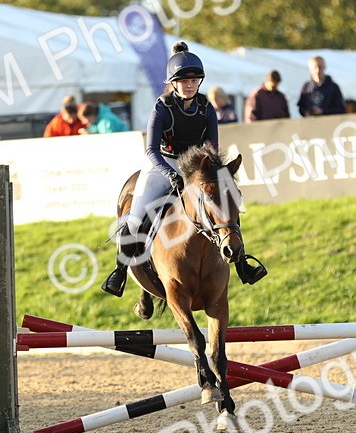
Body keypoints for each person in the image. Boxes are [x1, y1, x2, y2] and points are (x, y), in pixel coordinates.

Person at [101, 41, 267, 296]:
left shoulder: (206, 107)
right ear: (173, 83)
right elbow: (151, 150)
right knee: (134, 219)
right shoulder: (162, 107)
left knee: (226, 207)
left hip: (196, 167)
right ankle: (120, 271)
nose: (190, 84)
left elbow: (212, 148)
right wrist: (170, 174)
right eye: (184, 80)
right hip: (163, 163)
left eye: (194, 80)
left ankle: (242, 264)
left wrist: (207, 174)